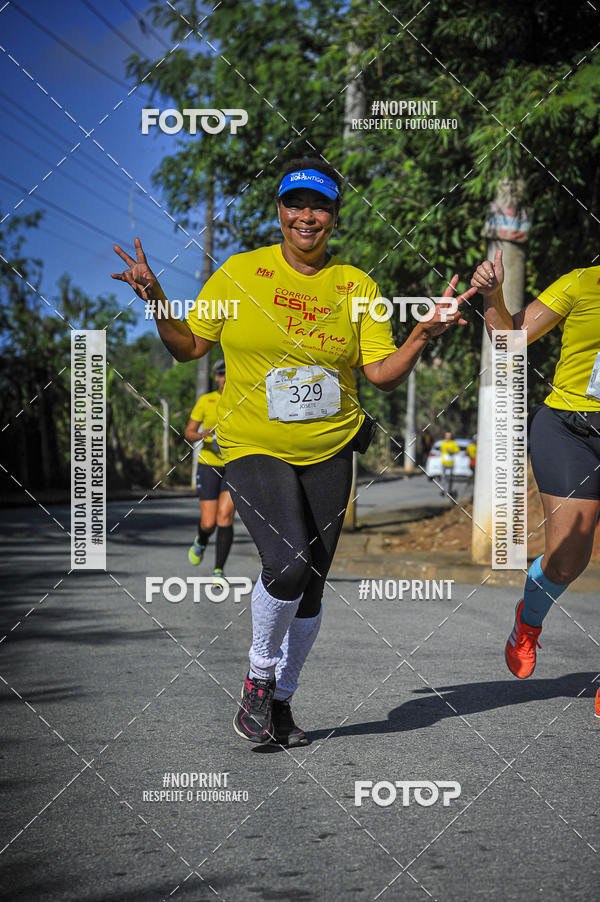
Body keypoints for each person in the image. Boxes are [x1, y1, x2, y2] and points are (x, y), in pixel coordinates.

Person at [111, 156, 475, 745]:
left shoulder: (355, 285)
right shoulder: (238, 275)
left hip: (331, 448)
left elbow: (380, 373)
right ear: (279, 212)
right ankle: (258, 678)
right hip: (252, 444)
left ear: (334, 215)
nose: (307, 215)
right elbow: (189, 348)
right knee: (287, 565)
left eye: (320, 205)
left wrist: (421, 334)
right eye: (295, 203)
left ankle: (281, 704)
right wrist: (154, 295)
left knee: (312, 583)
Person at [471, 250, 600, 718]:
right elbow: (508, 339)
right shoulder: (583, 282)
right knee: (567, 560)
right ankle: (528, 623)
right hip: (570, 429)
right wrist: (492, 294)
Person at [184, 359, 235, 578]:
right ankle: (201, 540)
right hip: (208, 465)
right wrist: (203, 436)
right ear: (216, 377)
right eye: (221, 373)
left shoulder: (241, 400)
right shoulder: (206, 401)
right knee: (208, 522)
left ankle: (218, 570)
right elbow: (189, 432)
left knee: (225, 516)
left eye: (228, 373)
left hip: (233, 466)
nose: (224, 377)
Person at [439, 431, 460, 497]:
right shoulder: (443, 443)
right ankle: (442, 490)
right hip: (444, 462)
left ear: (450, 437)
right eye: (446, 435)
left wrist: (452, 451)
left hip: (451, 463)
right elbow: (441, 450)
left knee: (450, 478)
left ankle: (449, 491)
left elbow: (457, 450)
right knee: (443, 477)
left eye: (449, 435)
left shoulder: (453, 443)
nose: (448, 437)